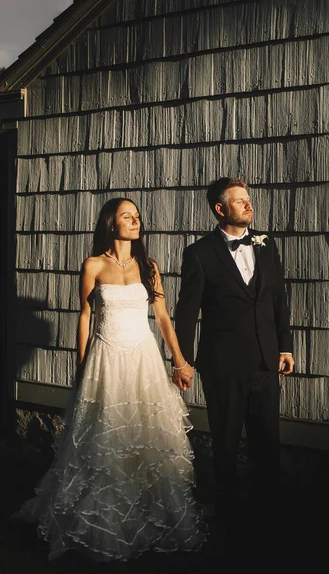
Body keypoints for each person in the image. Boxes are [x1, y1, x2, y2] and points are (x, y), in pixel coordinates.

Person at [14, 197, 206, 561]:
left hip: (143, 359)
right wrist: (82, 362)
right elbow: (85, 315)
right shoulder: (93, 265)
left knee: (145, 439)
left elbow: (163, 319)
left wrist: (179, 361)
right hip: (105, 358)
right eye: (127, 216)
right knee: (103, 440)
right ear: (110, 224)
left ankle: (150, 518)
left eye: (137, 216)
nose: (136, 221)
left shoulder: (149, 267)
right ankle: (101, 525)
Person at [174, 177, 294, 526]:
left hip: (265, 360)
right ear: (219, 208)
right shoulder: (199, 253)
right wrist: (183, 360)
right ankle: (227, 513)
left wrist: (285, 346)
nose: (247, 204)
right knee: (225, 442)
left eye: (248, 199)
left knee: (267, 440)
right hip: (223, 364)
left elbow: (278, 299)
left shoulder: (267, 244)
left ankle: (267, 510)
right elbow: (186, 311)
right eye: (239, 200)